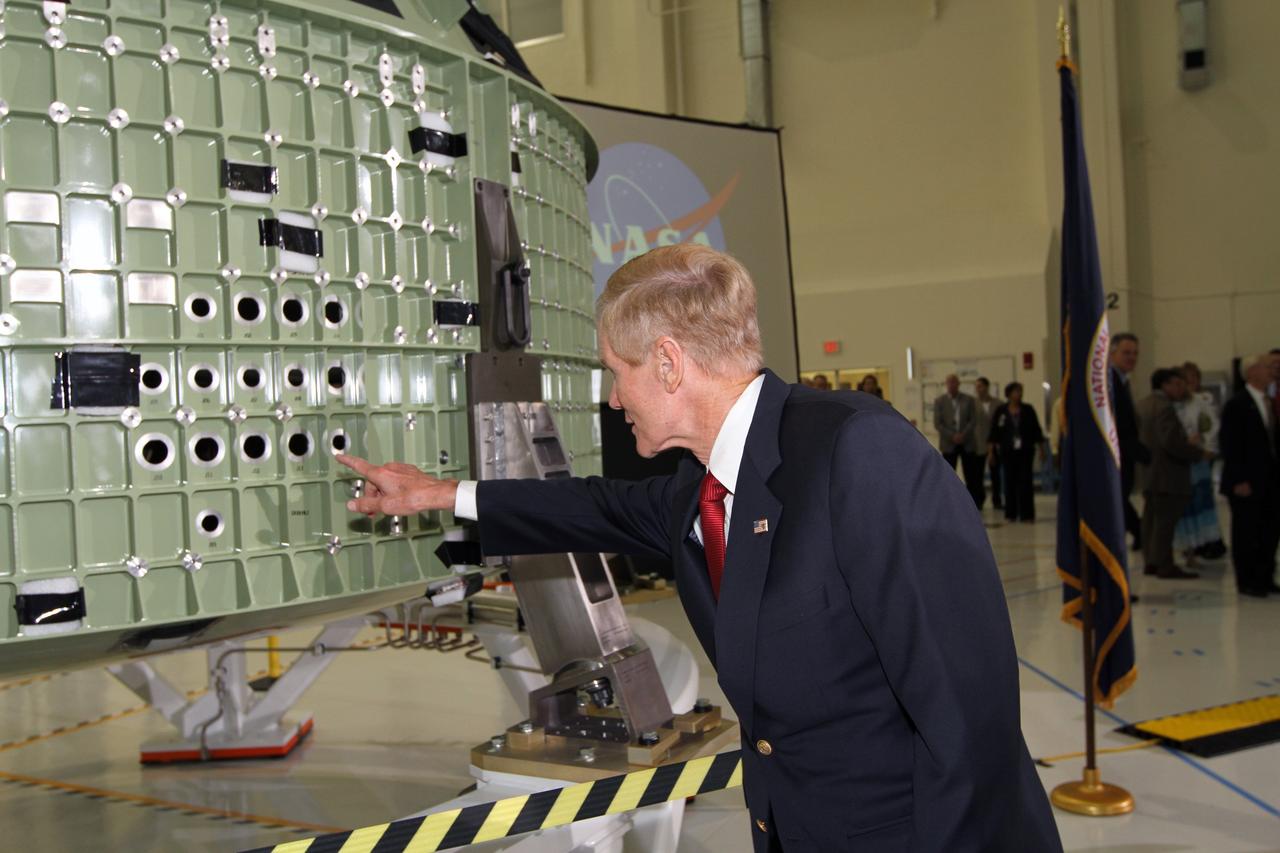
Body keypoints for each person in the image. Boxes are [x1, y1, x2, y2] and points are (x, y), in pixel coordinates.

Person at [337, 245, 1062, 852]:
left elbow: (968, 716)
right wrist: (437, 493)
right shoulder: (700, 487)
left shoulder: (857, 452)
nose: (613, 399)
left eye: (617, 372)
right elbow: (590, 506)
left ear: (668, 363)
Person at [1219, 353, 1280, 598]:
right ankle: (1247, 580)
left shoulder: (1269, 402)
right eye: (1267, 367)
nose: (1272, 371)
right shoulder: (1237, 404)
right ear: (1252, 371)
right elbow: (1231, 445)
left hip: (1270, 480)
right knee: (1246, 532)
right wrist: (1239, 479)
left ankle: (1265, 577)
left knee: (1269, 530)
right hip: (1246, 481)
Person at [1136, 368, 1204, 579]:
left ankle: (1151, 561)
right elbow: (1171, 442)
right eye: (1177, 384)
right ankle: (1165, 565)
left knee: (1150, 521)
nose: (1181, 388)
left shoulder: (1142, 404)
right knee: (1165, 523)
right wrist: (1195, 452)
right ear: (1164, 385)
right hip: (1168, 473)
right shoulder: (1164, 407)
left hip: (1149, 472)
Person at [1173, 362, 1225, 563]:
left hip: (1200, 458)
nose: (1190, 383)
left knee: (1202, 500)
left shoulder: (1202, 400)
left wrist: (1208, 446)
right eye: (1185, 379)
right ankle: (1189, 547)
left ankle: (1207, 542)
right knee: (1187, 505)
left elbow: (1211, 426)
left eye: (1193, 378)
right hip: (1182, 461)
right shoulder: (1174, 404)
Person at [1110, 333, 1148, 549]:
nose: (1132, 358)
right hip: (1116, 456)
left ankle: (1139, 533)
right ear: (1112, 353)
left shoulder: (1123, 381)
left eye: (1135, 353)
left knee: (1121, 499)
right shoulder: (1109, 383)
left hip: (1126, 455)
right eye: (1126, 353)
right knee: (1117, 500)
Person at [987, 383, 1044, 522]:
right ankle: (1011, 513)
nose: (1019, 394)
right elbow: (994, 433)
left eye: (1020, 391)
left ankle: (1027, 514)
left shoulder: (1028, 409)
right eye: (1016, 391)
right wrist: (991, 452)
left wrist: (1041, 449)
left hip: (1025, 451)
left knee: (1026, 482)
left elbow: (1036, 430)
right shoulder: (1001, 411)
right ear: (1009, 394)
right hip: (1007, 452)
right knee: (1009, 482)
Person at [932, 374, 984, 508]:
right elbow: (938, 423)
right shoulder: (940, 401)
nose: (952, 385)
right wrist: (952, 436)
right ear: (946, 385)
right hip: (949, 444)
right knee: (948, 475)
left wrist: (963, 435)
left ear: (958, 384)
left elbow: (973, 420)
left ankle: (974, 503)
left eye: (954, 383)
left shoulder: (968, 400)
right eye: (949, 383)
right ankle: (949, 503)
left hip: (967, 442)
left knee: (971, 475)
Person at [974, 377, 1002, 510]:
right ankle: (980, 499)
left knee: (995, 474)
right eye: (976, 387)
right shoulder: (973, 403)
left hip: (994, 443)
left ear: (986, 387)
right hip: (978, 442)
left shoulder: (998, 404)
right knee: (978, 474)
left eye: (980, 386)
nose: (978, 389)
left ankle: (997, 499)